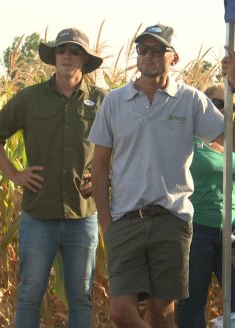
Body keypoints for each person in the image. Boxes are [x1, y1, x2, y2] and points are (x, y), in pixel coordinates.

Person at [88, 24, 228, 328]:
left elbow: (229, 138)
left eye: (157, 50)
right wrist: (106, 223)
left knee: (162, 314)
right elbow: (98, 166)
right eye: (142, 49)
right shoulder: (114, 102)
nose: (148, 56)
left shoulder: (190, 100)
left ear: (173, 57)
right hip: (125, 220)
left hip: (172, 220)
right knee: (121, 313)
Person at [0, 27, 107, 328]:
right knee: (29, 295)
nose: (67, 56)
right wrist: (14, 173)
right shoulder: (30, 99)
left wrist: (107, 176)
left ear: (85, 60)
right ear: (54, 57)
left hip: (82, 214)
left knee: (82, 297)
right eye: (62, 50)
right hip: (38, 215)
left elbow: (127, 146)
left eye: (75, 51)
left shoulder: (103, 101)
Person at [176, 83, 235, 327]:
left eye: (228, 105)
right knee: (192, 301)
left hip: (230, 231)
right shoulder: (190, 137)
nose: (222, 110)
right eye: (217, 104)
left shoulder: (232, 142)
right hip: (197, 229)